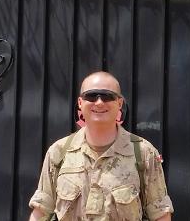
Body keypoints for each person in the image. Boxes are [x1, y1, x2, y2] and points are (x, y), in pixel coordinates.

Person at [28, 71, 173, 221]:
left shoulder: (143, 153)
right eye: (91, 96)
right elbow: (41, 210)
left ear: (119, 103)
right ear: (80, 103)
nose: (99, 102)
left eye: (107, 96)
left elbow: (160, 214)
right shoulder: (59, 152)